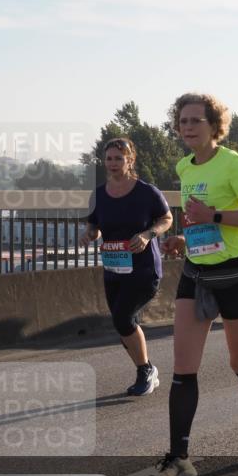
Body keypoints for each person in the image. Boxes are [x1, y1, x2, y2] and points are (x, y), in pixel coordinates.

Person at [148, 93, 238, 476]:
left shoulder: (232, 163)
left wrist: (216, 215)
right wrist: (184, 238)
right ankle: (179, 458)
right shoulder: (184, 166)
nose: (187, 127)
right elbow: (198, 219)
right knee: (182, 369)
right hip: (197, 274)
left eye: (195, 121)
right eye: (182, 121)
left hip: (235, 276)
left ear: (214, 126)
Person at [80, 138, 173, 396]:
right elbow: (94, 225)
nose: (112, 163)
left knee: (123, 318)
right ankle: (146, 368)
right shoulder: (98, 194)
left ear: (129, 160)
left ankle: (145, 371)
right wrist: (89, 234)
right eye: (108, 158)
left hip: (144, 268)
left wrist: (147, 234)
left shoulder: (146, 192)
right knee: (122, 323)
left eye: (118, 158)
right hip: (113, 268)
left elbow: (166, 218)